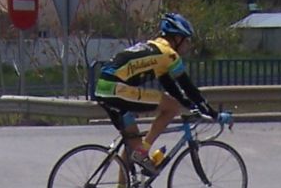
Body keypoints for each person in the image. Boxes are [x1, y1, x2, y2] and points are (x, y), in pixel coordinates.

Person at [92, 13, 216, 174]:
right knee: (172, 107)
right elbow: (188, 87)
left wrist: (188, 103)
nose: (189, 45)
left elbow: (170, 86)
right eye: (187, 40)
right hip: (117, 89)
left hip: (103, 88)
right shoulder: (168, 54)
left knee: (132, 143)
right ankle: (143, 152)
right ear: (177, 38)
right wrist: (212, 113)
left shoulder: (153, 49)